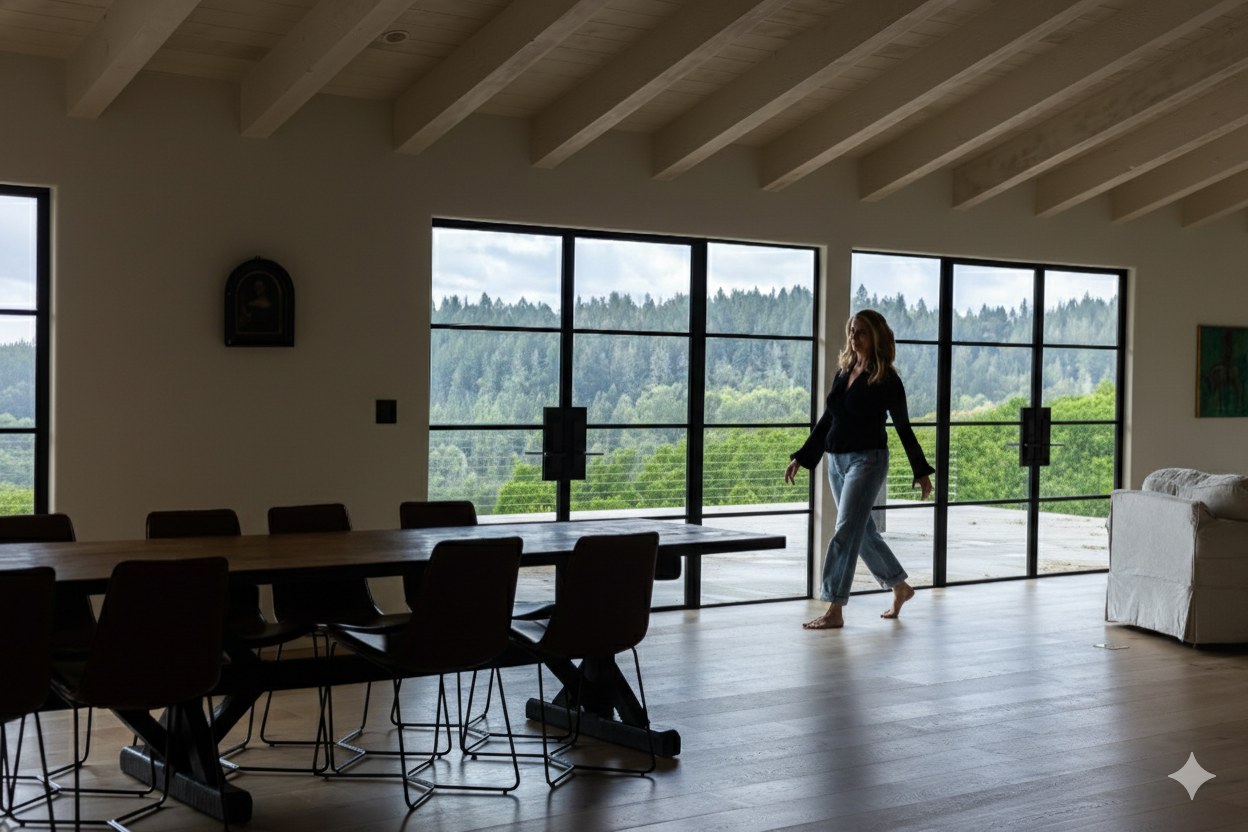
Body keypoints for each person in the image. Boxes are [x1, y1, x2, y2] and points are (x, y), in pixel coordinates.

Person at [785, 309, 934, 629]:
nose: (853, 337)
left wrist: (920, 471)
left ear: (876, 337)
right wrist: (803, 457)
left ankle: (834, 609)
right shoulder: (845, 371)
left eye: (861, 332)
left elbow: (904, 427)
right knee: (861, 532)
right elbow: (829, 419)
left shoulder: (887, 380)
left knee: (844, 532)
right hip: (836, 461)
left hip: (867, 461)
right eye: (852, 331)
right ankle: (900, 586)